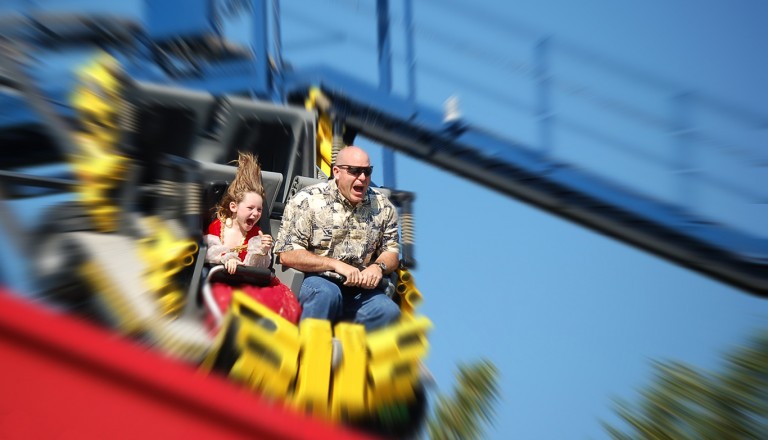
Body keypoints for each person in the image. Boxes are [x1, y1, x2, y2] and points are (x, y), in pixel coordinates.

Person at [274, 146, 401, 331]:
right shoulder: (308, 200)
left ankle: (353, 356)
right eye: (355, 171)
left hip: (361, 291)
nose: (363, 178)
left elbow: (391, 251)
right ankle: (309, 353)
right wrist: (335, 265)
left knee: (387, 311)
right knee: (327, 293)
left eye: (367, 171)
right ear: (337, 172)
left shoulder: (383, 207)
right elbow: (287, 254)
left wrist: (378, 267)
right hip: (317, 280)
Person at [204, 152, 300, 331]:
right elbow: (210, 250)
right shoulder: (219, 226)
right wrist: (227, 257)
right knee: (227, 304)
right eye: (250, 208)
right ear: (234, 207)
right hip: (222, 281)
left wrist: (262, 251)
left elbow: (257, 266)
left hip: (247, 283)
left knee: (270, 303)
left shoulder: (256, 233)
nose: (255, 214)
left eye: (259, 210)